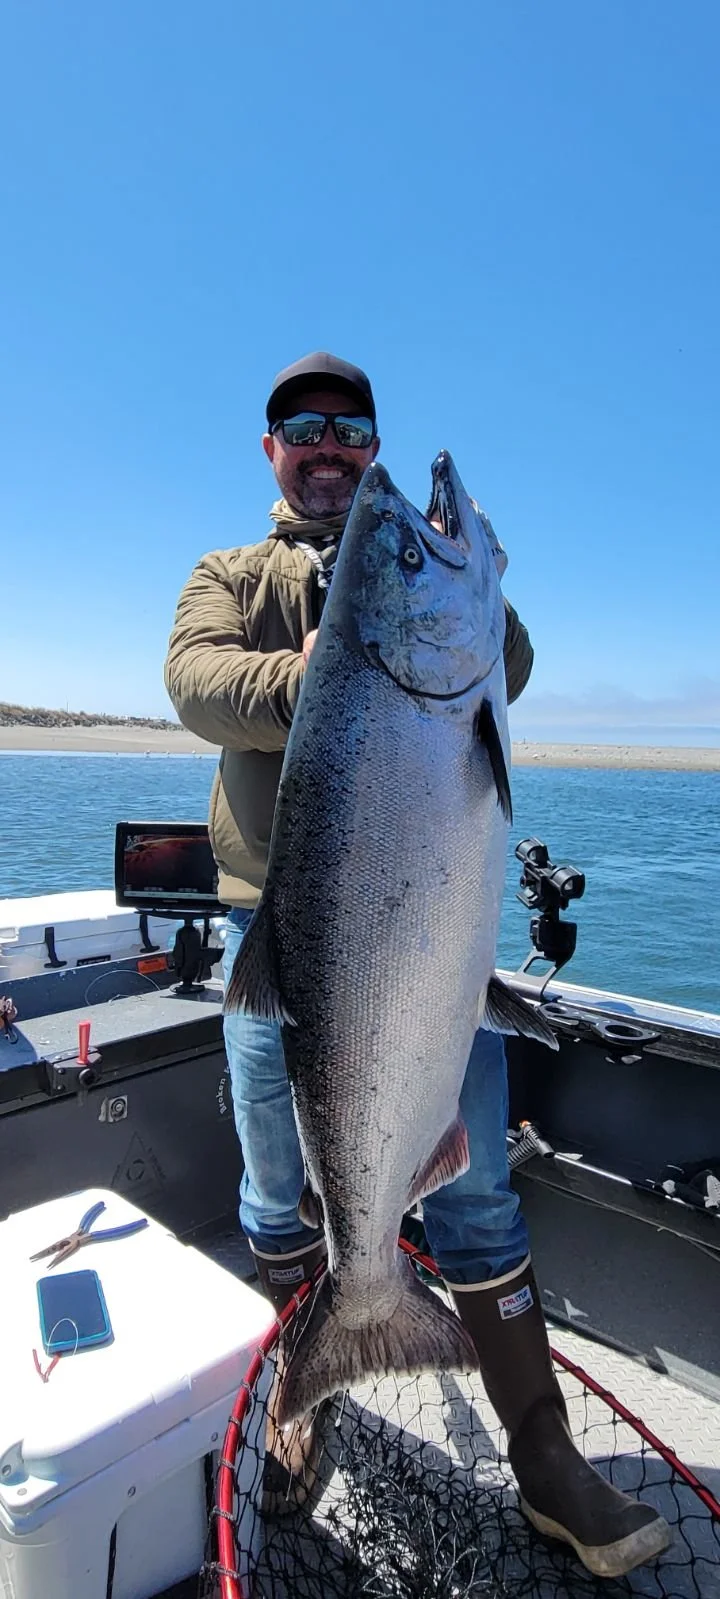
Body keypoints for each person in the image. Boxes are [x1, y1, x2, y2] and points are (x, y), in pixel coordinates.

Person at [165, 353, 669, 1573]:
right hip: (273, 942)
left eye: (352, 429)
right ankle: (314, 1395)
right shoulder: (233, 574)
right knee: (275, 1186)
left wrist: (445, 589)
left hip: (429, 950)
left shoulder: (423, 581)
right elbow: (197, 682)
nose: (331, 446)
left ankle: (544, 1457)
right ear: (273, 450)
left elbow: (513, 664)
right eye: (305, 428)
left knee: (479, 1191)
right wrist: (347, 647)